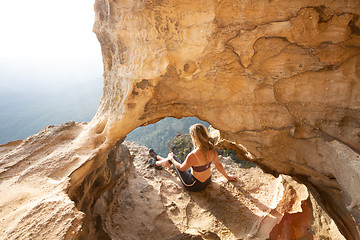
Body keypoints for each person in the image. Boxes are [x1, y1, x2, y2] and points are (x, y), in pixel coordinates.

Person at [148, 124, 238, 192]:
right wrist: (227, 176)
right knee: (175, 163)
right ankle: (158, 157)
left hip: (194, 185)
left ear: (194, 137)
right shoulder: (211, 148)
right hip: (207, 181)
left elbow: (182, 168)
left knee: (174, 158)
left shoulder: (193, 155)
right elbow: (218, 164)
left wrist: (171, 159)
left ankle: (156, 163)